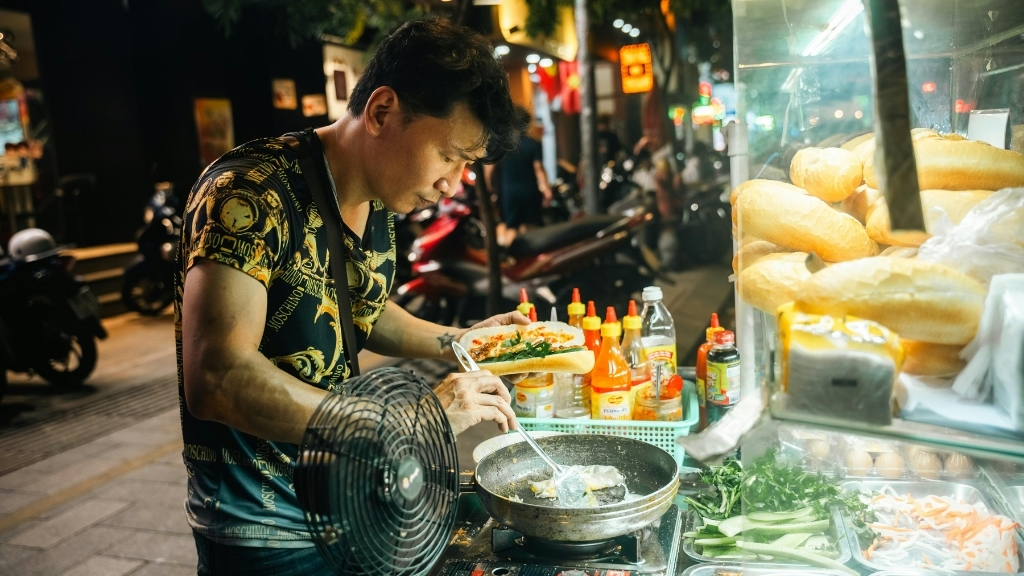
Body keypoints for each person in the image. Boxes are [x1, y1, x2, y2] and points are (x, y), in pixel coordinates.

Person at [176, 18, 530, 575]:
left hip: (344, 502)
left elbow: (358, 308)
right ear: (382, 111)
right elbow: (218, 378)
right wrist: (413, 415)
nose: (454, 183)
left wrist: (462, 341)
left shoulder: (379, 203)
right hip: (263, 530)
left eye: (467, 166)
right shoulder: (249, 193)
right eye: (449, 155)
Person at [483, 125, 551, 246]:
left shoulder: (501, 146)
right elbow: (538, 169)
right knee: (529, 226)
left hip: (508, 193)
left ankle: (511, 257)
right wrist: (546, 189)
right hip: (529, 191)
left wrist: (488, 190)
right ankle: (528, 257)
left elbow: (489, 170)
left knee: (511, 227)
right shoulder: (532, 144)